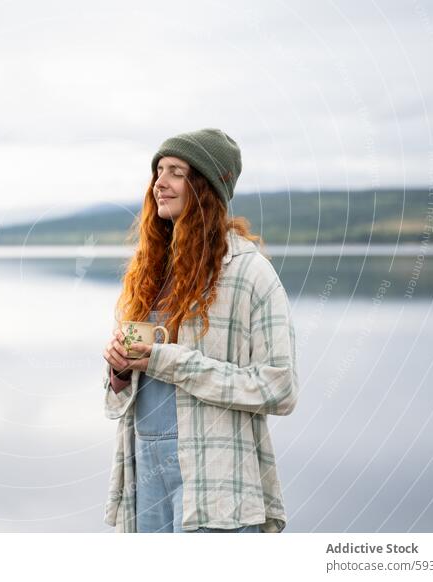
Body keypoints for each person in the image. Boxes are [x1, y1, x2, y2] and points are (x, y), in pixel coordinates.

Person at [101, 128, 299, 533]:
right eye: (158, 170)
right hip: (145, 482)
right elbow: (125, 396)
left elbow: (280, 388)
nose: (160, 182)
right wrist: (120, 372)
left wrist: (169, 361)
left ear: (206, 188)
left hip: (216, 484)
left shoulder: (249, 273)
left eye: (176, 171)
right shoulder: (151, 274)